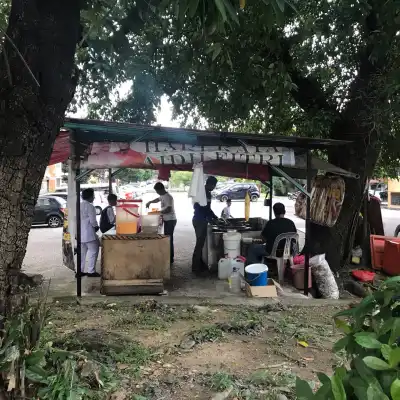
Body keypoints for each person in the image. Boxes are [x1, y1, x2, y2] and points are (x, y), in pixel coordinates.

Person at [192, 176, 218, 275]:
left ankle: (200, 263)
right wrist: (210, 218)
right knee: (199, 244)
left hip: (202, 220)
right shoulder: (201, 192)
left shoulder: (208, 193)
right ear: (209, 184)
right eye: (214, 185)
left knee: (201, 244)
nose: (214, 187)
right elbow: (199, 208)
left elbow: (208, 209)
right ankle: (195, 267)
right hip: (199, 220)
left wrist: (214, 217)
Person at [146, 182, 177, 265]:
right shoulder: (162, 195)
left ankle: (170, 259)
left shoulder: (168, 197)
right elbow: (158, 199)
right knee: (168, 238)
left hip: (171, 220)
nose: (157, 193)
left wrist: (158, 212)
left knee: (169, 239)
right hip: (167, 219)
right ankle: (169, 257)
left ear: (161, 189)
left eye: (157, 191)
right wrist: (150, 202)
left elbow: (169, 209)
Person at [80, 188, 101, 277]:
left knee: (82, 253)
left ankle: (79, 270)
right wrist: (96, 227)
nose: (94, 197)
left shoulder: (78, 205)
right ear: (90, 196)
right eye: (93, 196)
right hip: (89, 233)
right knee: (94, 251)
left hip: (80, 233)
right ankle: (91, 271)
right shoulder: (90, 206)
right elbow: (93, 220)